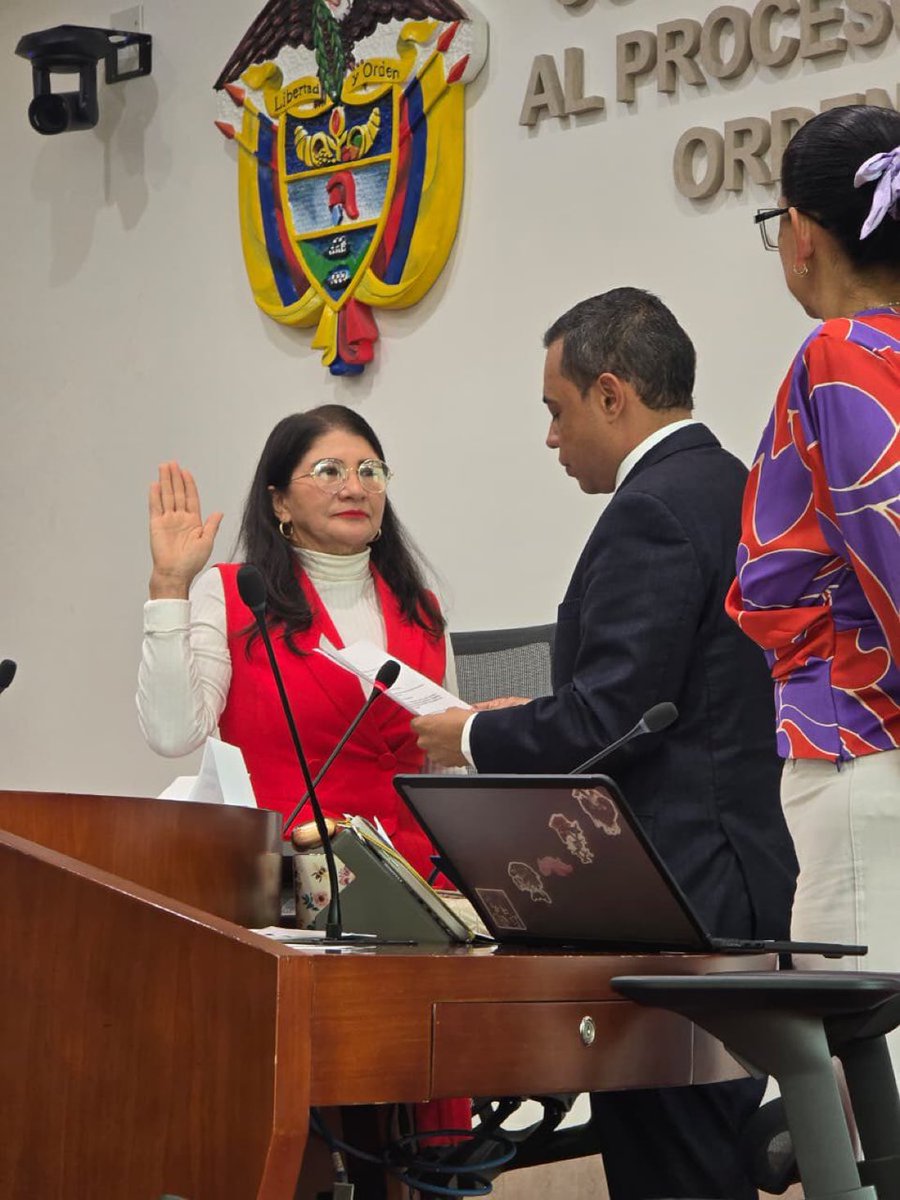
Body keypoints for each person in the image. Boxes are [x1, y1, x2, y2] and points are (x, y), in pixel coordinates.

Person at [413, 287, 798, 1200]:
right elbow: (674, 697)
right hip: (739, 879)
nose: (552, 438)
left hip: (674, 897)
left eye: (558, 409)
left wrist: (474, 734)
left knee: (674, 1169)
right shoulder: (737, 487)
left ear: (613, 394)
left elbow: (614, 718)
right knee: (705, 1155)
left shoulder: (652, 508)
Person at [726, 107, 900, 1021]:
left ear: (801, 234)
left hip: (863, 746)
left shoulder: (843, 351)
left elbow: (888, 539)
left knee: (869, 1068)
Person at [137, 403, 456, 881]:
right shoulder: (235, 595)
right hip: (288, 879)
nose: (355, 488)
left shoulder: (422, 609)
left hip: (419, 881)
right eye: (329, 471)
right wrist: (169, 585)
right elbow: (172, 736)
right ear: (280, 503)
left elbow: (444, 767)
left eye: (370, 471)